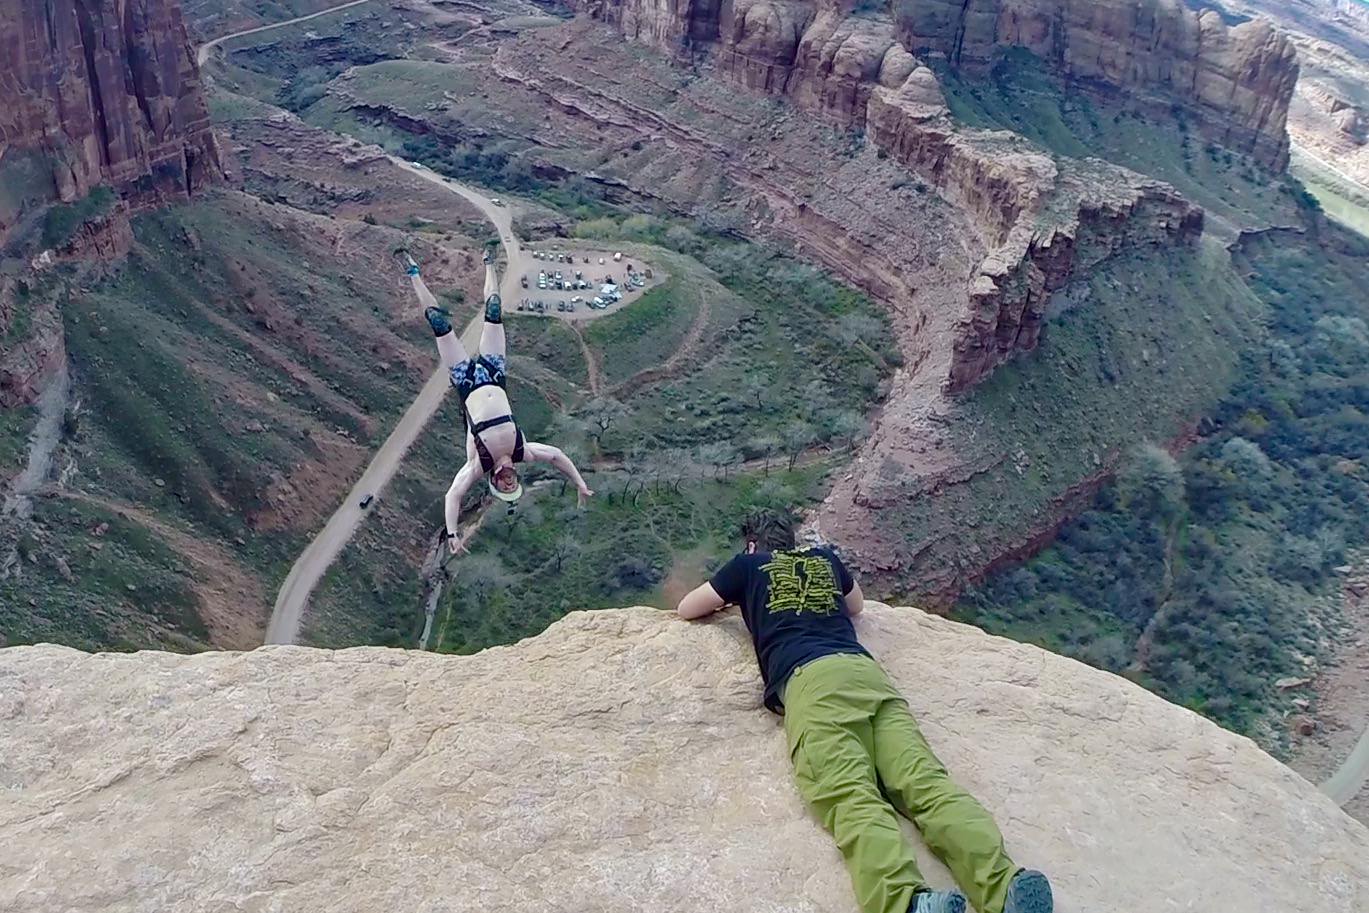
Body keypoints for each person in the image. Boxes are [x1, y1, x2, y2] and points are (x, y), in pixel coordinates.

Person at [675, 509, 1053, 913]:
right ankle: (1004, 884)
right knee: (925, 783)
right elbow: (856, 606)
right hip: (867, 675)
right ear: (792, 540)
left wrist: (742, 599)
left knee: (852, 794)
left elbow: (687, 608)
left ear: (752, 544)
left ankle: (908, 901)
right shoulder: (825, 560)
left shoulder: (746, 566)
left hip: (812, 681)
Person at [405, 247, 593, 554]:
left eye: (504, 487)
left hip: (466, 382)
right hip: (495, 375)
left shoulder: (479, 463)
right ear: (515, 478)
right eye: (512, 486)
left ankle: (414, 275)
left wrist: (453, 535)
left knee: (438, 323)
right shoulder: (524, 452)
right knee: (493, 308)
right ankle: (490, 264)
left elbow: (453, 496)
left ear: (494, 482)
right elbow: (557, 456)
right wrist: (579, 483)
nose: (508, 484)